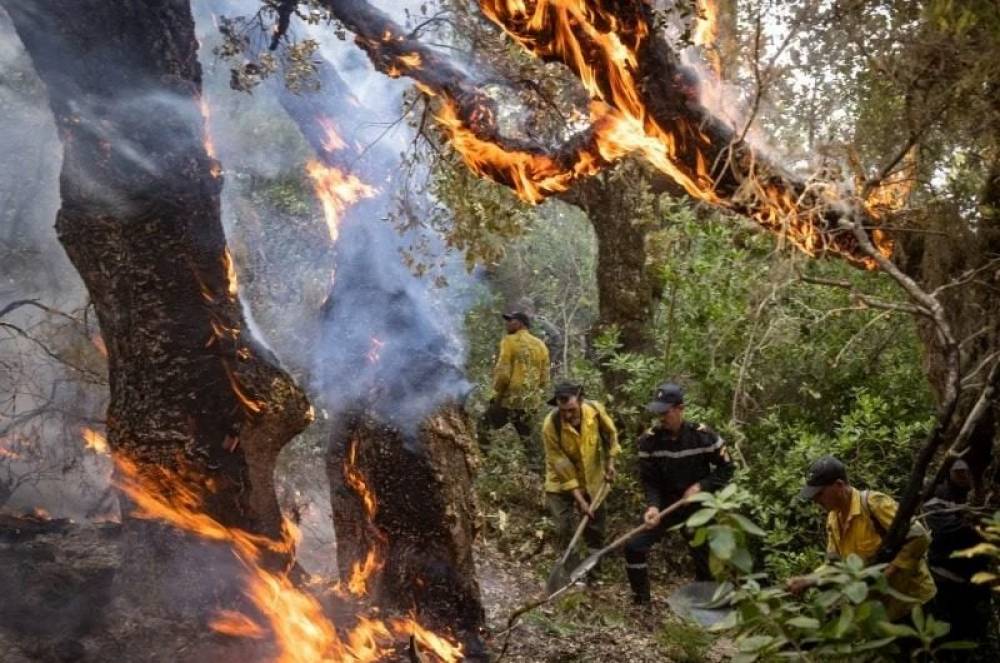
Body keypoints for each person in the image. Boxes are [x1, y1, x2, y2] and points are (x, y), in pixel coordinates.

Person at [787, 456, 936, 622]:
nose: (815, 500)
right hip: (884, 612)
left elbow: (919, 536)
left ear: (839, 486)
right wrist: (808, 580)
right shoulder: (833, 519)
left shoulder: (873, 504)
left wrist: (892, 570)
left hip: (915, 602)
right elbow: (834, 564)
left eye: (820, 494)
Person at [624, 383, 734, 604]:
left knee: (703, 556)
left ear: (680, 408)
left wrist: (701, 487)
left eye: (665, 413)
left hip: (697, 507)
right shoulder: (649, 441)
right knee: (634, 546)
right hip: (666, 506)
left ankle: (706, 606)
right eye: (658, 413)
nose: (661, 418)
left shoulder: (703, 436)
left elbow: (727, 468)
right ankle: (641, 602)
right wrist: (653, 506)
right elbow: (650, 481)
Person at [542, 382, 619, 573]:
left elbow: (611, 435)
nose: (567, 415)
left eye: (571, 410)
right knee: (564, 527)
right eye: (563, 411)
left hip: (592, 478)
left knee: (595, 528)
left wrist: (611, 462)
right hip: (560, 481)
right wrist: (579, 499)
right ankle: (572, 573)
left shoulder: (595, 411)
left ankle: (594, 571)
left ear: (581, 401)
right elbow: (561, 465)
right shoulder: (551, 426)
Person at [923, 460, 992, 642]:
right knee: (950, 630)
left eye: (969, 472)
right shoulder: (937, 493)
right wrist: (979, 527)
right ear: (949, 471)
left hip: (978, 574)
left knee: (976, 627)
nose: (965, 476)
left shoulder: (986, 491)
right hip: (946, 575)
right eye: (960, 472)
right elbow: (947, 531)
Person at [481, 311, 550, 466]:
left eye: (510, 321)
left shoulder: (509, 341)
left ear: (520, 323)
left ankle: (483, 463)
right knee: (529, 441)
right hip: (531, 402)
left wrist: (497, 394)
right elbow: (544, 380)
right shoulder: (541, 345)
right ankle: (537, 473)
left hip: (510, 399)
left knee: (484, 425)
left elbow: (503, 374)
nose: (507, 324)